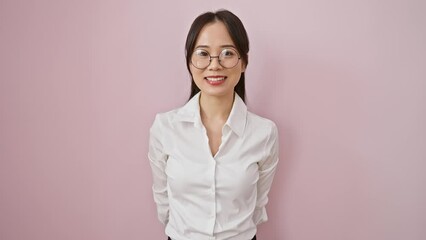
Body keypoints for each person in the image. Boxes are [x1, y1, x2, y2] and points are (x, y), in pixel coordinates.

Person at [148, 9, 279, 240]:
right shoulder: (165, 127)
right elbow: (163, 201)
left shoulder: (264, 133)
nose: (214, 65)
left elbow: (257, 206)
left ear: (244, 62)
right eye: (203, 53)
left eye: (227, 53)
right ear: (189, 62)